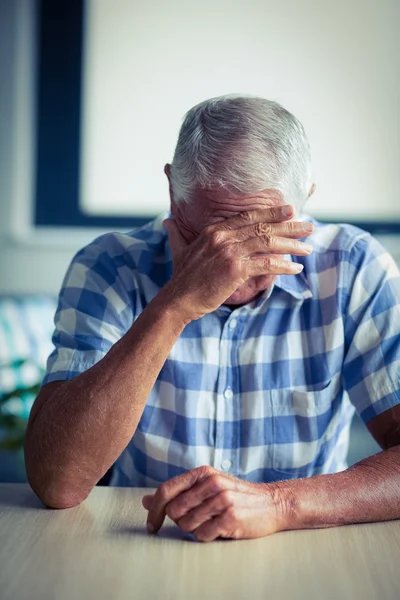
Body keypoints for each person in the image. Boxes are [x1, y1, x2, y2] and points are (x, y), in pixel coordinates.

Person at [25, 95, 400, 542]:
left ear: (303, 205)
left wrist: (280, 503)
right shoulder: (109, 267)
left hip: (299, 549)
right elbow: (57, 482)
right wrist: (175, 306)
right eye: (207, 241)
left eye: (260, 241)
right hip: (138, 541)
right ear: (171, 191)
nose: (233, 273)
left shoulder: (355, 269)